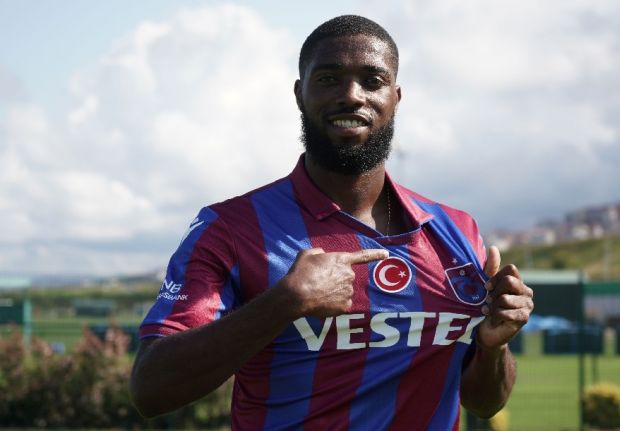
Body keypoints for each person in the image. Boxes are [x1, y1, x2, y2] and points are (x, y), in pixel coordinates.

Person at [130, 14, 534, 431]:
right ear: (299, 94)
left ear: (395, 97)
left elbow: (484, 402)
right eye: (328, 79)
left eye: (372, 81)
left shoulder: (457, 230)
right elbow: (151, 388)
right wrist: (284, 302)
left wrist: (493, 347)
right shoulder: (231, 228)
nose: (351, 96)